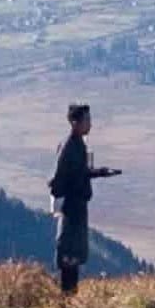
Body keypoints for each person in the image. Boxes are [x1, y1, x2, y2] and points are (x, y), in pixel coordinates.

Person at [48, 103, 122, 294]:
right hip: (72, 207)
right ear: (74, 122)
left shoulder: (78, 145)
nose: (90, 124)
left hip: (77, 205)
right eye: (86, 120)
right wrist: (64, 195)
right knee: (69, 254)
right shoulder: (70, 147)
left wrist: (100, 172)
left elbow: (79, 173)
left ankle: (70, 298)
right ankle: (67, 299)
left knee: (74, 253)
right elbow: (59, 179)